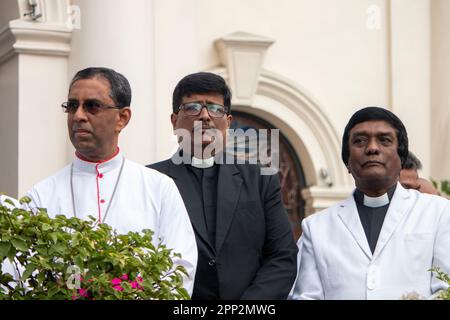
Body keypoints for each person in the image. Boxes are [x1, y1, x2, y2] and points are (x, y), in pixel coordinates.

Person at [25, 67, 197, 295]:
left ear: (122, 118)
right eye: (72, 106)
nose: (78, 116)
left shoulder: (159, 188)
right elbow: (24, 273)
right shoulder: (41, 195)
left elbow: (179, 269)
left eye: (92, 106)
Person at [148, 72, 298, 300]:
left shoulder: (260, 179)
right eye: (192, 107)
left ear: (228, 122)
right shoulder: (150, 180)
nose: (205, 116)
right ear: (174, 120)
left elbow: (282, 256)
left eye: (215, 109)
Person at [296, 106, 450, 300]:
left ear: (401, 158)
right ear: (347, 161)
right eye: (360, 141)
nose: (372, 148)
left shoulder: (439, 213)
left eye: (384, 140)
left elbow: (446, 289)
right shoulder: (316, 227)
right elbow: (306, 297)